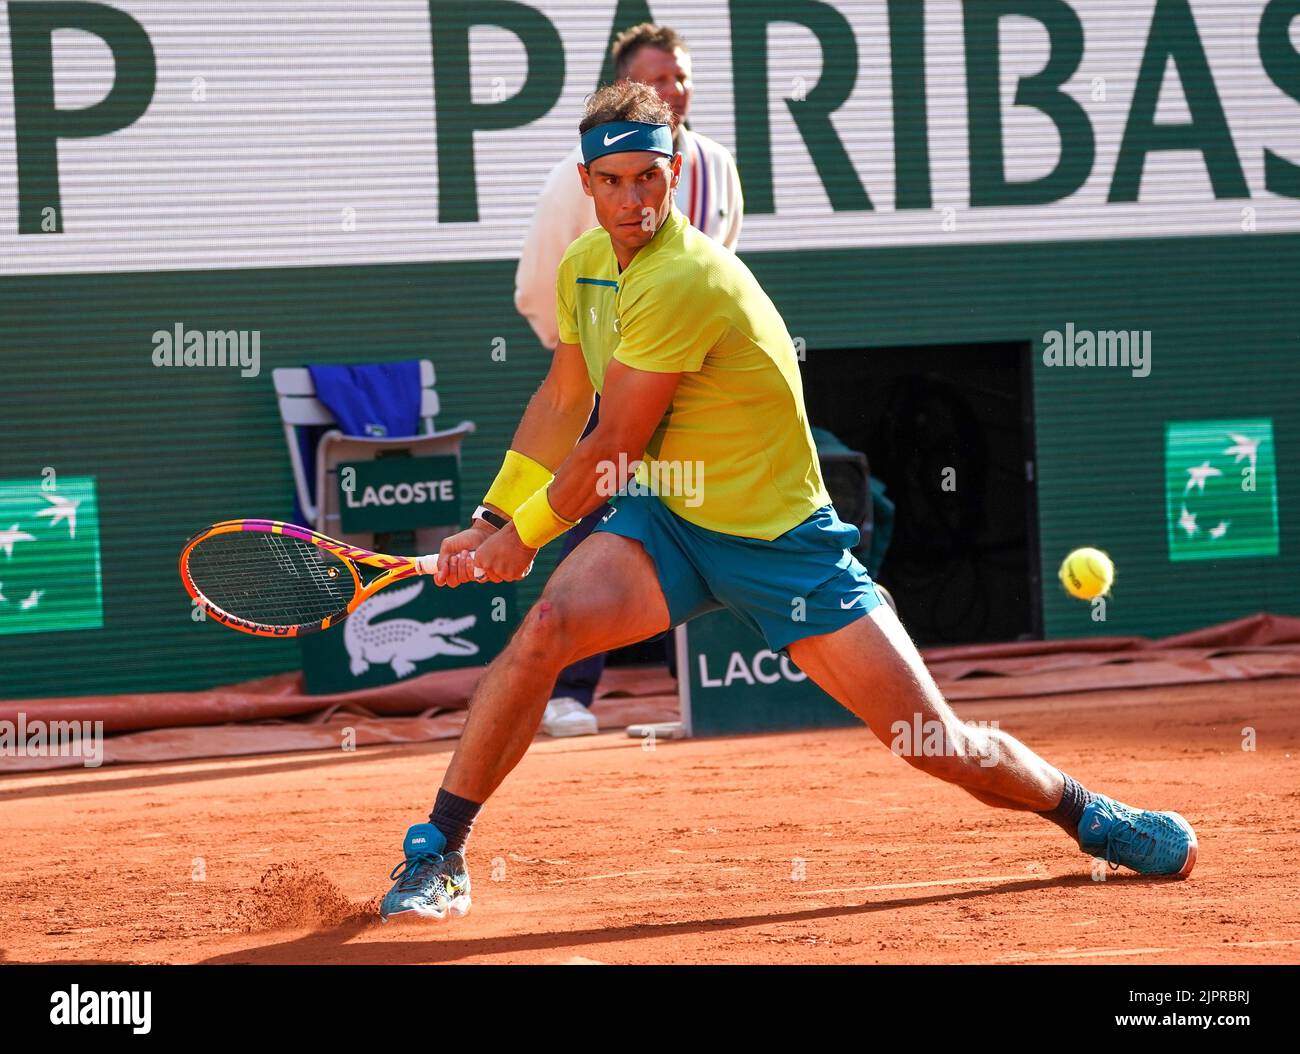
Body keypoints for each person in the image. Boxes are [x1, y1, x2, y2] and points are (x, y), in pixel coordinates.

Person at [378, 83, 1197, 924]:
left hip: (781, 545)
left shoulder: (684, 278)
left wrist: (524, 536)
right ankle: (440, 849)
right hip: (669, 522)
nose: (633, 200)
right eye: (613, 180)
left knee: (939, 746)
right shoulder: (585, 266)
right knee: (547, 628)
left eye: (649, 178)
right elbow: (561, 401)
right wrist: (489, 520)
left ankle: (1086, 812)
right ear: (585, 183)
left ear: (678, 170)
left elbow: (615, 443)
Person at [513, 22, 743, 737]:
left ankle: (708, 688)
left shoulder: (719, 166)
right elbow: (542, 288)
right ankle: (569, 692)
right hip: (612, 379)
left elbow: (723, 261)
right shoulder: (569, 180)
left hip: (701, 390)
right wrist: (589, 357)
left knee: (705, 520)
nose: (673, 92)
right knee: (592, 512)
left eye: (680, 78)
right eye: (657, 81)